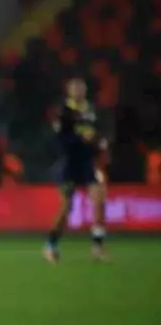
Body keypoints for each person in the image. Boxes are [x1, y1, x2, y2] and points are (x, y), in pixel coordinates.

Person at [44, 77, 108, 263]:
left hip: (87, 162)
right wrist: (81, 140)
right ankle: (51, 244)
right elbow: (59, 139)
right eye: (75, 88)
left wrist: (99, 143)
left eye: (81, 88)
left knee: (99, 198)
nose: (79, 91)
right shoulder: (64, 111)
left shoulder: (90, 110)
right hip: (69, 163)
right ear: (69, 91)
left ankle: (97, 247)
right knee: (66, 208)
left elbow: (96, 131)